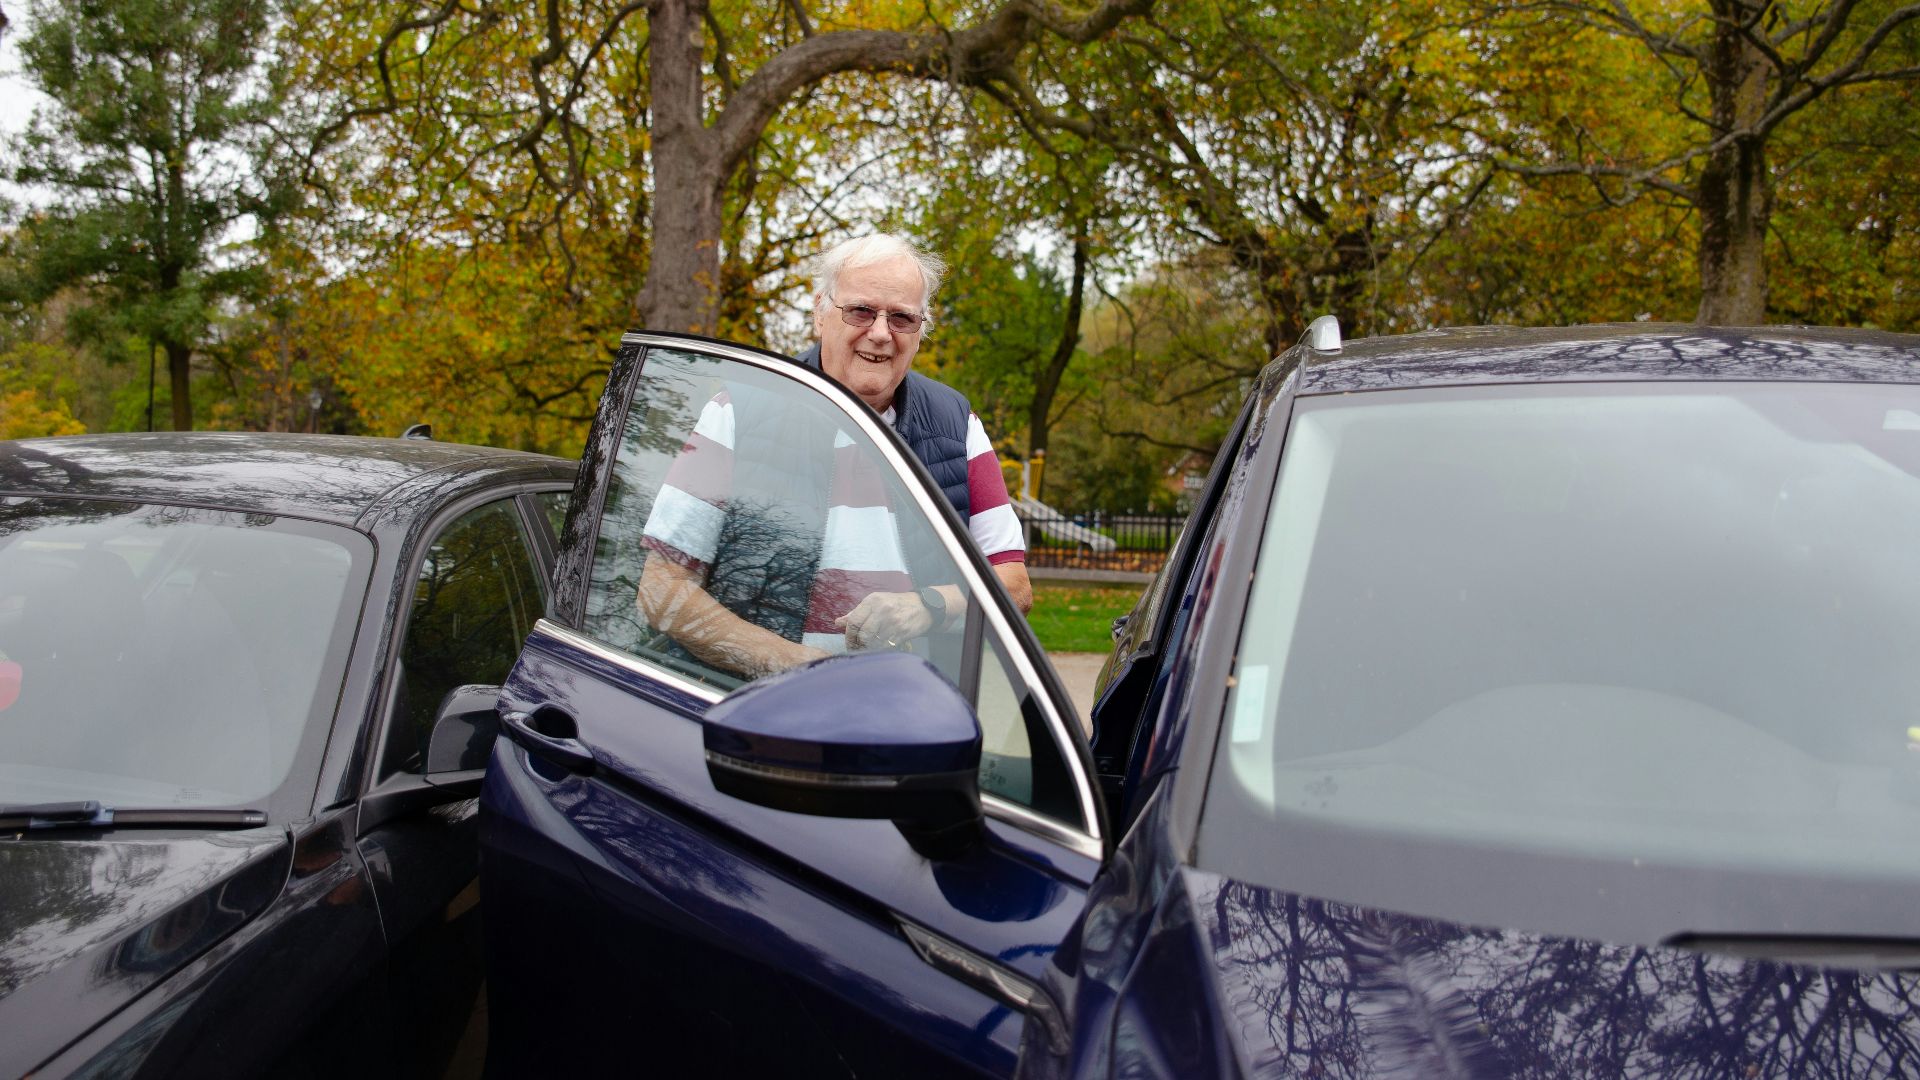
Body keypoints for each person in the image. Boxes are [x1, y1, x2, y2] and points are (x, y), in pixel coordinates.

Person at [636, 233, 1031, 680]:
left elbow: (1014, 587)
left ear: (920, 332)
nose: (881, 334)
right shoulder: (740, 411)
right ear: (821, 314)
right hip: (761, 717)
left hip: (920, 720)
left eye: (902, 318)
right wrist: (792, 667)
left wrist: (930, 605)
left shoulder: (957, 425)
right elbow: (660, 588)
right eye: (861, 311)